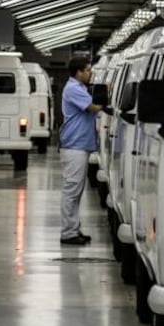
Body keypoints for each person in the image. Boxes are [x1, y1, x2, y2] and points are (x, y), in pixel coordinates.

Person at [59, 58, 103, 245]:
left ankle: (73, 229)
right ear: (78, 72)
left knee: (76, 191)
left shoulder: (79, 88)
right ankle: (68, 233)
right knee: (72, 191)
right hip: (74, 146)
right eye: (87, 70)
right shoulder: (74, 89)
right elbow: (93, 107)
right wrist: (108, 97)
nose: (90, 73)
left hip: (79, 145)